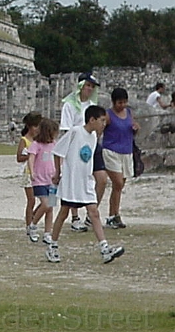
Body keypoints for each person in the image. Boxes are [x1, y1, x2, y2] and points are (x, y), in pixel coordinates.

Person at [46, 105, 125, 264]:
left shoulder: (94, 138)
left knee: (94, 212)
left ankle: (104, 248)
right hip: (72, 181)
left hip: (86, 181)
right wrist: (57, 172)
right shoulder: (75, 132)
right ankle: (52, 245)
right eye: (102, 120)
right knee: (64, 213)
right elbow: (58, 151)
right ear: (92, 120)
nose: (104, 124)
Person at [59, 71, 103, 232]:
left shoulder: (92, 106)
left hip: (91, 144)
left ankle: (92, 213)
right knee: (74, 180)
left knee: (101, 179)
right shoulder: (69, 105)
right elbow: (66, 130)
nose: (90, 89)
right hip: (75, 145)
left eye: (92, 86)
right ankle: (75, 217)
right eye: (87, 86)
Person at [102, 88, 139, 229]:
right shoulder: (108, 115)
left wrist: (136, 128)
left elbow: (131, 128)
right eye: (119, 102)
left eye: (124, 102)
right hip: (111, 151)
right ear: (113, 102)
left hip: (126, 151)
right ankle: (113, 215)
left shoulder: (129, 113)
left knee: (119, 186)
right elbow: (101, 129)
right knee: (117, 183)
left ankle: (114, 215)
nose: (122, 105)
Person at [26, 118, 59, 244]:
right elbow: (31, 158)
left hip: (52, 180)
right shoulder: (36, 145)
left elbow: (58, 159)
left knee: (50, 207)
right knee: (45, 204)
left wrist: (59, 173)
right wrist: (32, 172)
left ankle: (47, 232)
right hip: (39, 180)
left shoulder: (54, 145)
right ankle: (33, 225)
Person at [16, 111, 42, 236]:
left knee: (45, 201)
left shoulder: (39, 140)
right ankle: (28, 225)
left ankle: (33, 219)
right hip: (27, 172)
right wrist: (30, 156)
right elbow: (19, 157)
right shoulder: (24, 140)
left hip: (39, 172)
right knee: (31, 200)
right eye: (36, 126)